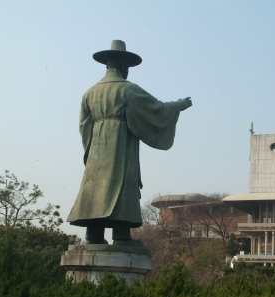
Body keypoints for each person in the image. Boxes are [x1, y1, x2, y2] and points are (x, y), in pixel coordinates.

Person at [67, 40, 192, 246]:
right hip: (120, 144)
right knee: (122, 182)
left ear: (107, 65)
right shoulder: (127, 89)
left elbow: (84, 127)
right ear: (124, 66)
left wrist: (90, 151)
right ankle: (122, 235)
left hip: (96, 150)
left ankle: (94, 235)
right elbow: (157, 108)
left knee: (95, 190)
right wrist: (177, 105)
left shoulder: (89, 93)